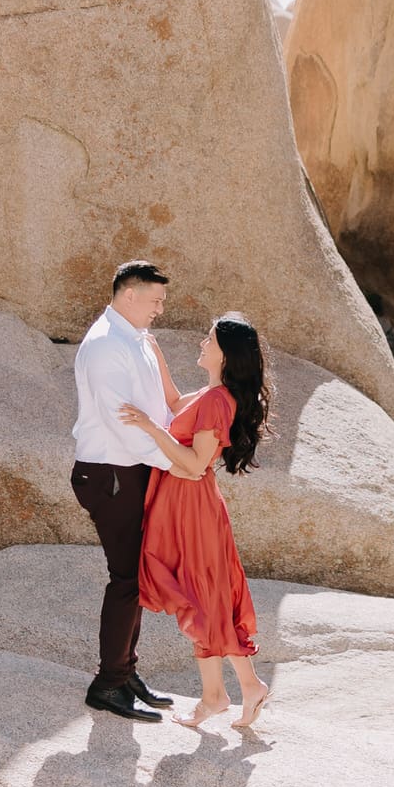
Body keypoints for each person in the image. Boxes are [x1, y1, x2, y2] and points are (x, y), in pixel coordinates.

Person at [118, 312, 271, 729]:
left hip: (192, 508)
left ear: (226, 352)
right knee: (206, 597)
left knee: (200, 597)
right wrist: (154, 352)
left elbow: (195, 462)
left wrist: (150, 428)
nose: (202, 344)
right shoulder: (211, 394)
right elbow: (173, 403)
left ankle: (216, 696)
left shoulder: (218, 402)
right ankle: (238, 689)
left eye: (209, 339)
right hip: (184, 502)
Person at [69, 260, 183, 723]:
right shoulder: (103, 346)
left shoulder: (134, 339)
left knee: (136, 576)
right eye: (155, 300)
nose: (159, 309)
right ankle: (108, 684)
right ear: (129, 295)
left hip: (129, 470)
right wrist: (176, 461)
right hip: (108, 474)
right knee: (127, 579)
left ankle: (125, 671)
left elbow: (156, 410)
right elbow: (122, 423)